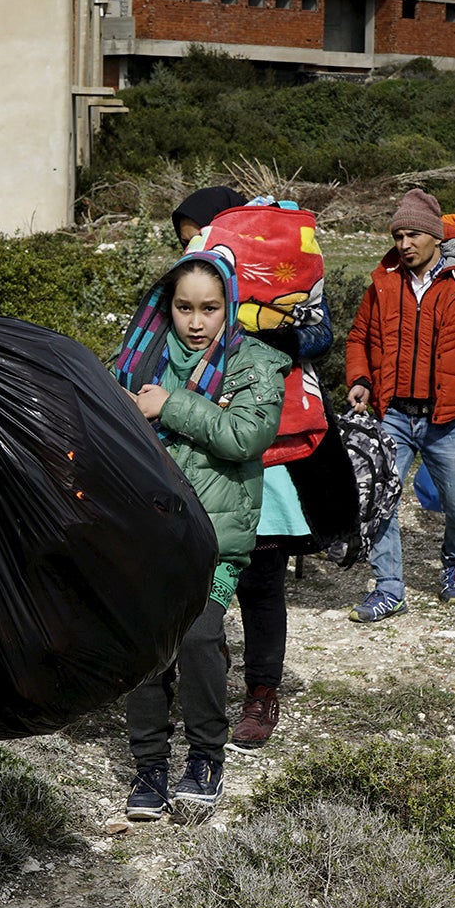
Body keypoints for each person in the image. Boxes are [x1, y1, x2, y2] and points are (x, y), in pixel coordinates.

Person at [111, 248, 287, 821]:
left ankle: (206, 757)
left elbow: (245, 438)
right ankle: (150, 765)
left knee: (198, 639)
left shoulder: (254, 363)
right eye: (184, 307)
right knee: (148, 649)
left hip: (215, 537)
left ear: (227, 307)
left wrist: (170, 406)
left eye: (209, 308)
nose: (194, 321)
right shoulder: (138, 358)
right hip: (147, 532)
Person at [170, 187, 331, 754]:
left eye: (201, 235)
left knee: (261, 581)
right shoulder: (189, 297)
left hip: (267, 448)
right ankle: (202, 675)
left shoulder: (278, 285)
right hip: (193, 458)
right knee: (193, 577)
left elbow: (319, 334)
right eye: (186, 239)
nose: (193, 248)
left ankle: (262, 690)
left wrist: (258, 325)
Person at [343, 188, 455, 618]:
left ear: (435, 236)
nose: (404, 244)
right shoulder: (383, 284)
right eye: (398, 235)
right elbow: (358, 338)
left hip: (450, 419)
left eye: (413, 235)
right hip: (394, 416)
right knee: (381, 497)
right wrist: (361, 378)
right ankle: (389, 588)